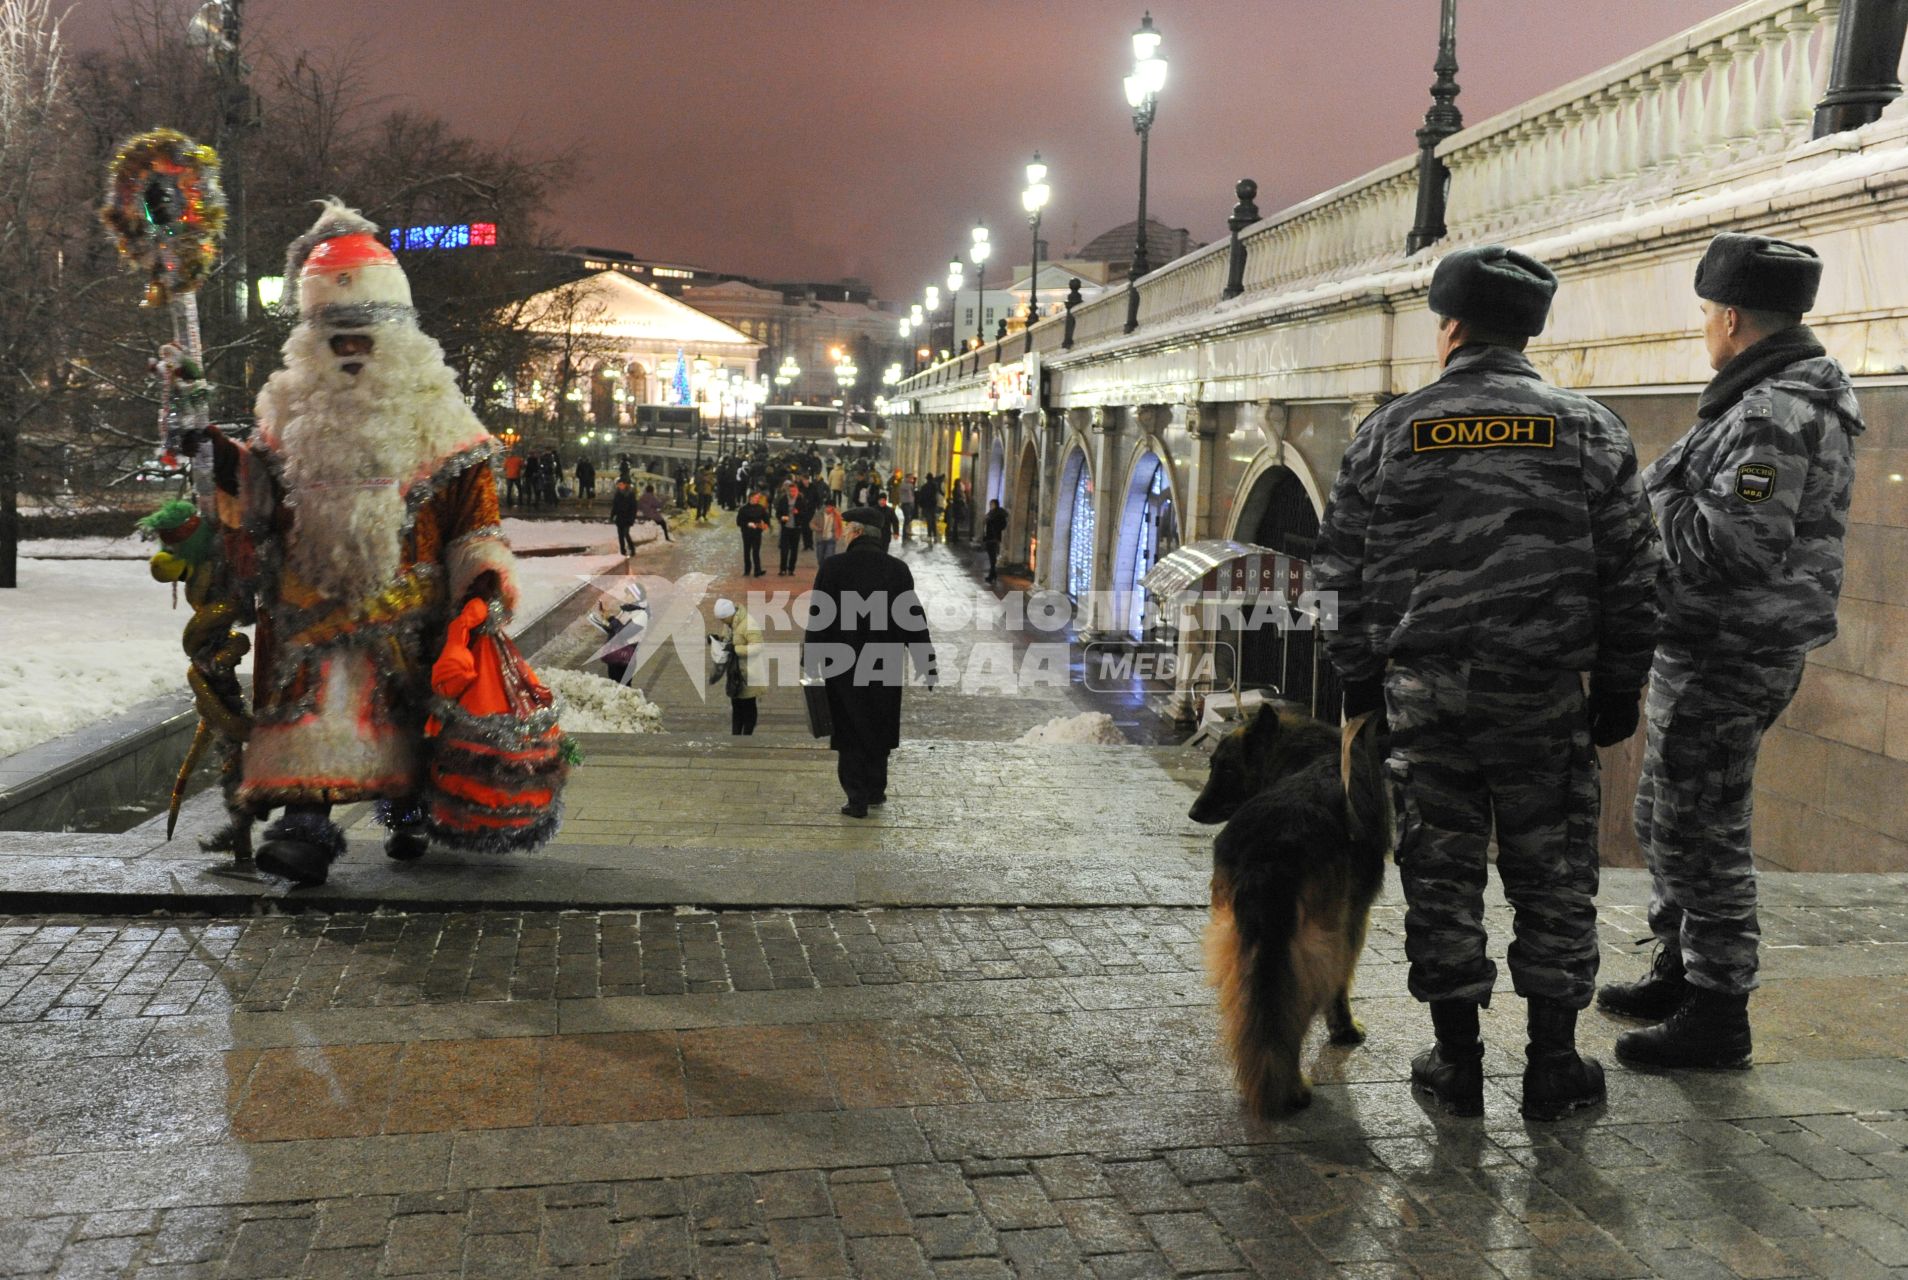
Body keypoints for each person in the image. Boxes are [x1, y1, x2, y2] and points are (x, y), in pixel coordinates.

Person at [1313, 244, 1662, 1122]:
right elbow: (1635, 571)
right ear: (1529, 329)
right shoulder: (1589, 428)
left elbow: (1338, 577)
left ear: (1452, 325)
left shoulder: (1390, 431)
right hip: (1543, 698)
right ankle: (1553, 1066)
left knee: (1441, 873)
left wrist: (1358, 690)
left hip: (1424, 701)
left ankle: (1457, 1063)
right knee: (1553, 876)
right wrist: (1619, 685)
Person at [207, 199, 541, 887]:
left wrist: (480, 583)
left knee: (410, 718)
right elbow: (258, 508)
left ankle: (410, 807)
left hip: (411, 613)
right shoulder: (285, 413)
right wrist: (219, 468)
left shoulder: (443, 421)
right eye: (338, 340)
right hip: (310, 613)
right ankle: (306, 825)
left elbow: (475, 519)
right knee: (317, 709)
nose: (351, 353)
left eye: (364, 340)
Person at [1601, 234, 1863, 1071]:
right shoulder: (1766, 399)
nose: (1707, 328)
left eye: (1709, 314)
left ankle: (1718, 1011)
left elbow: (1738, 544)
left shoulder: (1769, 413)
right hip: (1710, 641)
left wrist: (1656, 493)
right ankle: (1682, 966)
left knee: (1701, 830)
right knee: (1664, 815)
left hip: (1731, 647)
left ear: (1732, 317)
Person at [803, 508, 936, 817]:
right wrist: (925, 661)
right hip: (884, 664)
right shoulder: (898, 570)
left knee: (849, 729)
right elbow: (913, 620)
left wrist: (811, 660)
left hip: (844, 666)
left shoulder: (833, 568)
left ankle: (856, 798)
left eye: (847, 529)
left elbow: (819, 619)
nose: (844, 534)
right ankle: (876, 790)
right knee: (879, 723)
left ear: (858, 533)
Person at [711, 597, 767, 734]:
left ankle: (747, 734)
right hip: (735, 672)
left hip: (749, 674)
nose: (721, 622)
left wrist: (736, 649)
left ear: (729, 615)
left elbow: (758, 647)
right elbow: (727, 640)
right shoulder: (730, 624)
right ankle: (736, 735)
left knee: (748, 705)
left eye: (722, 619)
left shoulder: (749, 624)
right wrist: (717, 639)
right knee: (736, 705)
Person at [589, 584, 649, 685]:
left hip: (624, 657)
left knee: (623, 688)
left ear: (635, 597)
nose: (625, 597)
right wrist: (606, 618)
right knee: (614, 685)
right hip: (615, 654)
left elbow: (623, 633)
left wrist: (611, 620)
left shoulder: (641, 615)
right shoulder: (626, 610)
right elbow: (615, 629)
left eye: (628, 595)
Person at [774, 478, 805, 575]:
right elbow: (778, 512)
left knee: (794, 550)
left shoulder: (801, 500)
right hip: (785, 528)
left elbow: (805, 513)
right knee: (784, 550)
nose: (792, 493)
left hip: (796, 528)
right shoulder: (783, 499)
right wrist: (781, 518)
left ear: (797, 491)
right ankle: (782, 569)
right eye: (791, 491)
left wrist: (798, 513)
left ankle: (791, 569)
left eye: (794, 491)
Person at [737, 489, 769, 576]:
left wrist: (764, 525)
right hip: (746, 533)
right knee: (746, 551)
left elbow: (766, 520)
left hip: (757, 533)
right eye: (755, 497)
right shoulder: (743, 509)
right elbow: (739, 522)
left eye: (758, 498)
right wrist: (748, 524)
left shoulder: (761, 508)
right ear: (750, 498)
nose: (757, 499)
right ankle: (747, 570)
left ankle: (757, 570)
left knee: (756, 551)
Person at [609, 476, 638, 555]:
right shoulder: (617, 494)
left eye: (621, 484)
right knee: (620, 535)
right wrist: (612, 516)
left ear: (625, 485)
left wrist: (632, 519)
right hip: (620, 517)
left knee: (626, 533)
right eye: (619, 484)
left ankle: (632, 548)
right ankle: (622, 550)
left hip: (628, 517)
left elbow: (634, 508)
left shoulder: (630, 495)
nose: (619, 486)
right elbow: (615, 506)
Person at [982, 498, 1008, 583]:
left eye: (992, 504)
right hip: (989, 537)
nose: (991, 506)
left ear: (996, 505)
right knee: (991, 557)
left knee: (992, 557)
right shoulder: (991, 513)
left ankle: (991, 575)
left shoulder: (998, 514)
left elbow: (1002, 525)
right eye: (990, 504)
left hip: (994, 537)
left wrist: (993, 525)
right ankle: (993, 574)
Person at [813, 497, 844, 565]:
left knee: (828, 558)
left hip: (831, 540)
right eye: (828, 506)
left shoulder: (837, 516)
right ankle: (822, 571)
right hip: (820, 539)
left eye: (831, 507)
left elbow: (840, 526)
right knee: (820, 559)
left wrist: (838, 536)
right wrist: (817, 528)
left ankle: (826, 573)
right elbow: (811, 524)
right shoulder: (819, 514)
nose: (829, 508)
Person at [945, 482, 968, 546]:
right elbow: (959, 499)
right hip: (958, 509)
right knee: (955, 523)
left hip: (956, 509)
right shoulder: (957, 491)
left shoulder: (955, 490)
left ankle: (955, 537)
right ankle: (955, 537)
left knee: (955, 523)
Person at [896, 473, 916, 544]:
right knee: (907, 518)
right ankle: (905, 534)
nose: (912, 480)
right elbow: (906, 490)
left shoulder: (910, 485)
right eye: (911, 478)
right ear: (906, 478)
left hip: (910, 503)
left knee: (909, 519)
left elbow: (912, 494)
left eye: (912, 478)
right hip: (905, 504)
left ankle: (907, 533)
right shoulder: (903, 485)